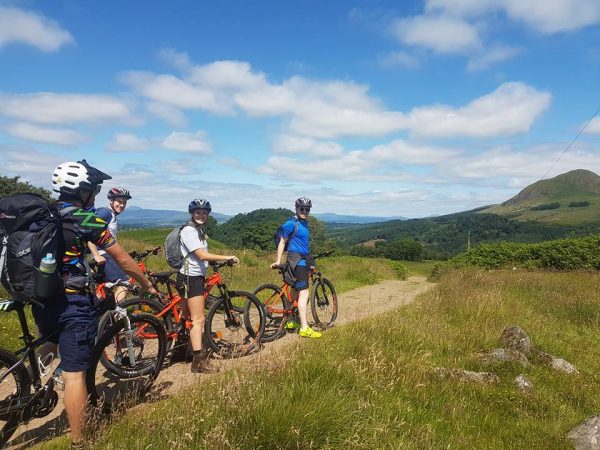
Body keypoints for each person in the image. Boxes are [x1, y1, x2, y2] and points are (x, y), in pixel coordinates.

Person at [37, 160, 158, 448]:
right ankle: (81, 440)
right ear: (83, 191)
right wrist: (147, 285)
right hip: (72, 300)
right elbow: (124, 259)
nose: (96, 193)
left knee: (51, 342)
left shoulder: (43, 214)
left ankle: (31, 384)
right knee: (75, 373)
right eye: (95, 188)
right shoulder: (86, 219)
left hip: (41, 297)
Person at [175, 198, 239, 373]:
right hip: (191, 278)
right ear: (192, 213)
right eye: (198, 212)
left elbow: (200, 256)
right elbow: (201, 255)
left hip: (192, 276)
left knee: (186, 317)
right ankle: (199, 361)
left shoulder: (198, 231)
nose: (201, 215)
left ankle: (180, 350)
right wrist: (226, 257)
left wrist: (213, 263)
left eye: (204, 213)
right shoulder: (189, 230)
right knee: (198, 320)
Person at [271, 197, 322, 338]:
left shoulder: (304, 223)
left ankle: (290, 320)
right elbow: (282, 242)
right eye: (302, 209)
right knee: (304, 293)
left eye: (307, 209)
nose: (304, 211)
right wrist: (277, 260)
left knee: (294, 289)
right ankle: (304, 328)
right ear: (296, 209)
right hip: (297, 260)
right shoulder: (290, 223)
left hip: (302, 258)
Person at [87, 187, 132, 303]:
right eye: (119, 202)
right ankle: (119, 315)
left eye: (124, 203)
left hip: (106, 255)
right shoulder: (105, 212)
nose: (122, 205)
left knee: (104, 288)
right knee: (125, 283)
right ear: (111, 201)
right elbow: (89, 231)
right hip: (104, 255)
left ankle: (102, 314)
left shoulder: (112, 215)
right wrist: (96, 254)